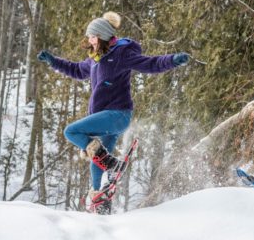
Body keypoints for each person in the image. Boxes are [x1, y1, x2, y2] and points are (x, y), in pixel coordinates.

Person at [37, 11, 189, 213]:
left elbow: (150, 63)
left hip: (118, 115)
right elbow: (75, 69)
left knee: (71, 132)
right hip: (104, 120)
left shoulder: (121, 54)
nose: (89, 40)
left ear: (101, 36)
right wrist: (53, 61)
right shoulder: (94, 59)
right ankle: (100, 197)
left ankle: (109, 162)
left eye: (92, 36)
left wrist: (173, 60)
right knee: (97, 158)